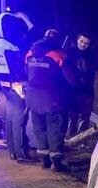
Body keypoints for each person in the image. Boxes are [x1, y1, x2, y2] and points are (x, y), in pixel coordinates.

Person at [25, 30, 75, 172]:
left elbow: (24, 72)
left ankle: (43, 160)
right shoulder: (58, 55)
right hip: (52, 98)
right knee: (55, 128)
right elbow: (70, 78)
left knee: (39, 128)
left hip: (32, 97)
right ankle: (56, 163)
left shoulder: (30, 53)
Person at [0, 10, 33, 162]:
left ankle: (12, 150)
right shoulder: (10, 47)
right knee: (19, 118)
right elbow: (18, 68)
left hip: (4, 86)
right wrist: (24, 83)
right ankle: (20, 152)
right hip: (15, 85)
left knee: (9, 117)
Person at [65, 33, 98, 138]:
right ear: (77, 40)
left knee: (86, 115)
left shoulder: (92, 55)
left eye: (86, 43)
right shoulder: (69, 53)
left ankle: (83, 139)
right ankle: (71, 136)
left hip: (87, 90)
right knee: (73, 115)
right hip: (73, 90)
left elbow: (94, 69)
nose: (83, 45)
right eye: (82, 41)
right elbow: (66, 71)